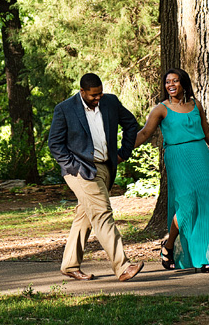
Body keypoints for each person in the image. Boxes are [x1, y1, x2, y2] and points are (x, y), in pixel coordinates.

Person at [134, 68, 209, 272]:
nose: (170, 85)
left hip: (200, 155)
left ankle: (203, 257)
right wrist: (121, 152)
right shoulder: (161, 109)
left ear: (183, 83)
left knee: (205, 205)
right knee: (187, 204)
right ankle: (168, 245)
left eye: (175, 81)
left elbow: (206, 130)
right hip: (177, 157)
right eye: (167, 82)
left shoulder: (196, 104)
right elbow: (144, 133)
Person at [48, 73, 144, 282]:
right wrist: (72, 167)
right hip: (80, 170)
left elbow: (130, 124)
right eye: (93, 96)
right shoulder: (64, 109)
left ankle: (69, 265)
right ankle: (123, 267)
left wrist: (123, 153)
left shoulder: (110, 102)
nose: (98, 98)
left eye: (100, 94)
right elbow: (55, 144)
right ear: (82, 92)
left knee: (85, 216)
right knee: (102, 213)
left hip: (105, 168)